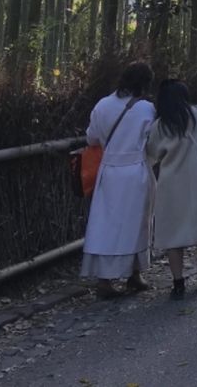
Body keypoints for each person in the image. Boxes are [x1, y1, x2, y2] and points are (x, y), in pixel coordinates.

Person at [81, 62, 157, 298]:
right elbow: (154, 140)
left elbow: (91, 137)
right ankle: (135, 273)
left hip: (109, 171)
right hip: (136, 171)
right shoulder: (147, 109)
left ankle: (105, 279)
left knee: (106, 225)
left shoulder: (103, 105)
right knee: (138, 223)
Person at [145, 79, 197, 300]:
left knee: (173, 235)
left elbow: (151, 154)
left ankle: (178, 283)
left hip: (172, 185)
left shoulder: (161, 125)